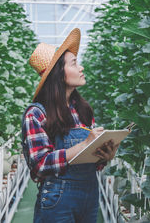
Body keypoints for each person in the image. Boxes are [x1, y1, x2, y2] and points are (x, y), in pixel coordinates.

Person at [21, 28, 118, 223]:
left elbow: (89, 160)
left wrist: (104, 155)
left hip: (90, 194)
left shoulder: (82, 110)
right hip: (58, 198)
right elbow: (39, 165)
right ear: (58, 74)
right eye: (74, 63)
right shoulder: (37, 114)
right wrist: (83, 146)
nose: (81, 67)